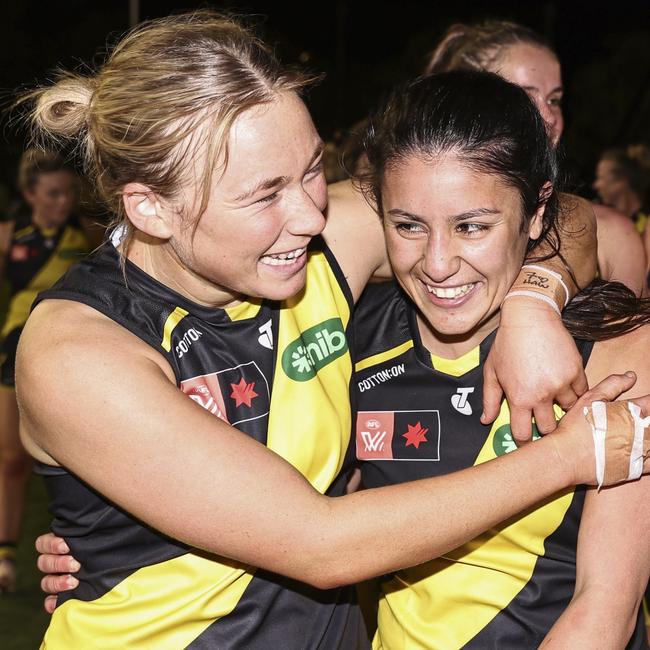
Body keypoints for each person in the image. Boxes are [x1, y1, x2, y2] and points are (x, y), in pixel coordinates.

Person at [21, 12, 648, 648]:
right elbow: (321, 545)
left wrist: (535, 301)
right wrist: (573, 455)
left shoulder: (317, 246)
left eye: (312, 169)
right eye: (265, 194)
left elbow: (541, 205)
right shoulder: (79, 351)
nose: (309, 211)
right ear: (151, 207)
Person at [353, 71, 650, 649]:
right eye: (408, 225)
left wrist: (534, 303)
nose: (437, 264)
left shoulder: (622, 346)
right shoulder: (355, 340)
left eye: (472, 226)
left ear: (538, 214)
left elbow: (605, 608)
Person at [426, 20, 647, 296]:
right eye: (522, 98)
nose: (549, 118)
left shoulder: (612, 235)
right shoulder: (404, 227)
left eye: (554, 100)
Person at [0, 149, 87, 593]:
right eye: (52, 193)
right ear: (31, 194)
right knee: (12, 460)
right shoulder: (12, 234)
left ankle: (83, 553)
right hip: (14, 350)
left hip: (73, 356)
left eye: (70, 192)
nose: (63, 202)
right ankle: (5, 556)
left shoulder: (88, 235)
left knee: (78, 461)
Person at [594, 145, 650, 235]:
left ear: (622, 180)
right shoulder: (601, 221)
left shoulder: (646, 228)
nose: (596, 185)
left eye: (601, 178)